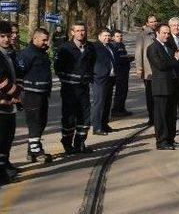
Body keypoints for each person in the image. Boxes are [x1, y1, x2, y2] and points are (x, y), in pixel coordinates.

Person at [55, 21, 96, 154]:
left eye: (82, 30)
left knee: (85, 117)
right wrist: (70, 79)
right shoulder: (65, 48)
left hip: (84, 89)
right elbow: (58, 68)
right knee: (69, 118)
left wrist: (88, 76)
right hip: (69, 90)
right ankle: (67, 144)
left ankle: (80, 143)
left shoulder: (90, 47)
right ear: (72, 32)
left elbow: (92, 64)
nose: (80, 33)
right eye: (77, 30)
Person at [147, 24, 179, 150]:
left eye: (168, 33)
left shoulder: (169, 46)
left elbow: (173, 63)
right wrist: (176, 58)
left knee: (171, 114)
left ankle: (170, 139)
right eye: (164, 33)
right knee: (161, 115)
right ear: (157, 33)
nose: (166, 35)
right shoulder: (153, 48)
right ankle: (162, 141)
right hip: (161, 87)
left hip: (173, 85)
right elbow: (161, 65)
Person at [17, 28, 53, 163]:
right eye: (43, 40)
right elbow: (20, 73)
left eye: (47, 40)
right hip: (31, 94)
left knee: (41, 122)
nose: (45, 42)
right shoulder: (27, 54)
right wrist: (19, 94)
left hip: (42, 93)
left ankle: (31, 149)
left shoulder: (41, 53)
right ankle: (37, 151)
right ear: (35, 39)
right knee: (35, 123)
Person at [0, 21, 22, 184]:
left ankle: (5, 165)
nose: (6, 39)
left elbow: (18, 74)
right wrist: (13, 94)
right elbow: (1, 80)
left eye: (8, 36)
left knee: (8, 137)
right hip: (2, 102)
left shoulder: (9, 53)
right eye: (2, 36)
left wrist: (17, 94)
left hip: (9, 103)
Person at [91, 29, 116, 135]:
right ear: (99, 36)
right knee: (99, 102)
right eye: (105, 36)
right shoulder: (95, 47)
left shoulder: (110, 46)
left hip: (110, 78)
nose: (107, 38)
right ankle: (97, 127)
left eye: (109, 36)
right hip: (99, 78)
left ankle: (104, 124)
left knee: (107, 102)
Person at [135, 15, 157, 126]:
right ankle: (151, 117)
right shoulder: (142, 35)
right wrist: (139, 68)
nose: (153, 23)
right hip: (148, 70)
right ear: (147, 23)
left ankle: (157, 116)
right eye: (151, 22)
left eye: (155, 21)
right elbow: (138, 52)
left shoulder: (158, 33)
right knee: (150, 95)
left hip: (158, 70)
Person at [110, 29, 132, 117]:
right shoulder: (113, 46)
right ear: (113, 38)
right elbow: (116, 59)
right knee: (120, 91)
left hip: (124, 70)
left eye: (121, 36)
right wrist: (126, 58)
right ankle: (116, 110)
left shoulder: (121, 44)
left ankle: (122, 108)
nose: (120, 38)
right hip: (119, 71)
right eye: (117, 36)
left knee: (124, 90)